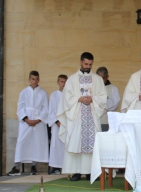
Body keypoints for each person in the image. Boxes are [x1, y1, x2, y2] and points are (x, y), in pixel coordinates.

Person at [57, 52, 107, 181]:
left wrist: (93, 99)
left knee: (93, 143)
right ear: (80, 62)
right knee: (76, 141)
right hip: (78, 116)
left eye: (90, 64)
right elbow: (66, 98)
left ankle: (92, 172)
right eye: (85, 64)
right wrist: (79, 98)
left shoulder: (98, 79)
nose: (88, 66)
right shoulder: (72, 79)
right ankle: (76, 172)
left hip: (92, 115)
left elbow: (102, 97)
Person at [8, 71, 49, 176]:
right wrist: (26, 119)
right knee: (22, 141)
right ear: (29, 79)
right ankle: (17, 166)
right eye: (32, 79)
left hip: (38, 123)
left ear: (39, 80)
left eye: (36, 79)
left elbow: (46, 109)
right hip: (26, 122)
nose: (34, 81)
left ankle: (34, 165)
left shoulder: (43, 93)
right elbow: (20, 107)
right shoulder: (24, 92)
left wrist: (38, 120)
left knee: (37, 143)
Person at [48, 74, 67, 174]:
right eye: (61, 81)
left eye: (65, 82)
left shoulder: (69, 95)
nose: (63, 84)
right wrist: (57, 121)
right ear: (58, 82)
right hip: (57, 125)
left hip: (67, 124)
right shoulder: (53, 95)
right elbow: (51, 110)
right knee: (56, 145)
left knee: (66, 145)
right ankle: (56, 167)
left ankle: (67, 166)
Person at [96, 66, 121, 131]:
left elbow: (115, 103)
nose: (101, 81)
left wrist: (103, 107)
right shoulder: (93, 88)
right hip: (95, 120)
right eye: (99, 78)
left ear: (107, 77)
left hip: (107, 120)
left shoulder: (113, 88)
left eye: (103, 78)